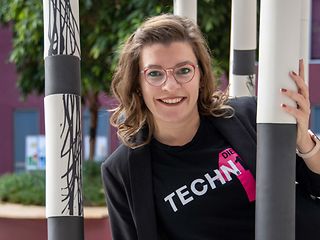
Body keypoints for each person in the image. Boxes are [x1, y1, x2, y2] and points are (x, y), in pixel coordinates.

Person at [101, 14, 320, 240]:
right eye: (154, 74)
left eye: (183, 70)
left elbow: (316, 186)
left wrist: (304, 141)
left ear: (201, 76)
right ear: (137, 84)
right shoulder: (122, 171)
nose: (171, 86)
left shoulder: (250, 115)